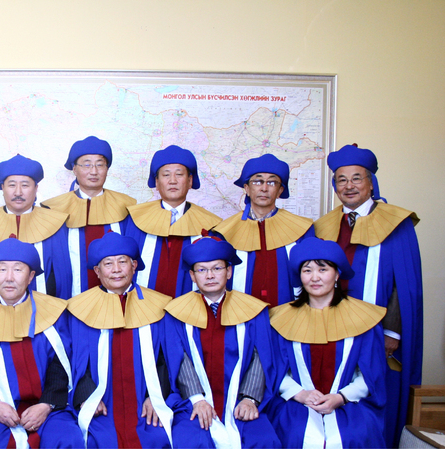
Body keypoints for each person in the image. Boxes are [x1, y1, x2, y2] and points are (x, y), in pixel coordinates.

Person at [313, 144, 422, 446]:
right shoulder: (324, 226)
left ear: (371, 183)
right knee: (334, 394)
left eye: (356, 178)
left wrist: (392, 332)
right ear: (335, 185)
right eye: (341, 179)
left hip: (377, 331)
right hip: (333, 329)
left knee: (374, 392)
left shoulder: (396, 223)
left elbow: (405, 285)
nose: (349, 186)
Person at [0, 238, 84, 448]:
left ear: (31, 276)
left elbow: (61, 366)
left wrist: (46, 405)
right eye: (1, 269)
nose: (9, 278)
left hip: (47, 407)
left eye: (17, 269)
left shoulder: (52, 312)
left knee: (68, 439)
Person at [268, 237, 387, 448]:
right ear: (299, 276)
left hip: (348, 403)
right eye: (307, 270)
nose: (315, 277)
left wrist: (341, 397)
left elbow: (371, 373)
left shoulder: (363, 318)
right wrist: (301, 394)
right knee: (295, 433)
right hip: (297, 402)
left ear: (337, 274)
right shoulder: (279, 319)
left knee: (353, 436)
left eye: (323, 269)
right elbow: (273, 369)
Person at [163, 237, 280, 448]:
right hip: (192, 401)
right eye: (201, 270)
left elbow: (260, 357)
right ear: (192, 275)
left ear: (229, 272)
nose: (209, 275)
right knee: (190, 441)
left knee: (263, 440)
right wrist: (197, 399)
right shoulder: (176, 312)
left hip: (241, 402)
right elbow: (179, 359)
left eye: (217, 268)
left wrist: (250, 398)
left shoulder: (253, 310)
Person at [67, 232, 174, 448]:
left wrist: (155, 396)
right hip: (102, 400)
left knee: (157, 438)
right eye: (108, 264)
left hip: (144, 400)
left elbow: (166, 359)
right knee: (98, 439)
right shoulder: (79, 309)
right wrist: (87, 396)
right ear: (97, 271)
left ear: (134, 266)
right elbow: (75, 359)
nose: (116, 269)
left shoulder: (160, 306)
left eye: (122, 262)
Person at [212, 154, 314, 307]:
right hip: (238, 312)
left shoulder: (302, 229)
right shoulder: (224, 232)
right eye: (257, 181)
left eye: (272, 182)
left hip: (290, 312)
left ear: (280, 190)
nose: (264, 188)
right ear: (247, 188)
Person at [42, 136, 137, 296]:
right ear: (74, 169)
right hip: (70, 296)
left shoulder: (126, 208)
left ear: (107, 169)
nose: (94, 171)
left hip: (118, 296)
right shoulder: (54, 210)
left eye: (100, 165)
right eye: (86, 164)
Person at [0, 154, 71, 298]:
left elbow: (63, 277)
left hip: (44, 307)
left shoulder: (55, 223)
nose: (18, 192)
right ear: (2, 187)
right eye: (11, 185)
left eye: (25, 185)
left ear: (36, 188)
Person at [125, 145, 221, 298]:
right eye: (166, 175)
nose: (173, 181)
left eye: (179, 174)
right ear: (157, 182)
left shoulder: (210, 225)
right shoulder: (134, 220)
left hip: (192, 305)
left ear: (190, 181)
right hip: (143, 304)